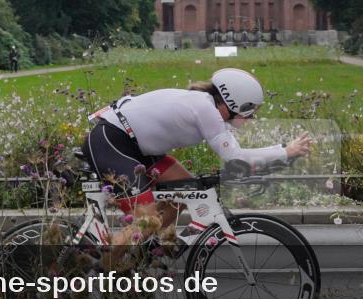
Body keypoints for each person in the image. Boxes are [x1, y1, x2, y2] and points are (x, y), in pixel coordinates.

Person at [81, 68, 312, 238]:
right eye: (250, 110)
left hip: (138, 148)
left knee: (186, 189)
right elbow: (235, 157)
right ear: (234, 104)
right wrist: (285, 152)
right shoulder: (205, 109)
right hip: (112, 143)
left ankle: (145, 252)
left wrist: (281, 153)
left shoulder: (206, 105)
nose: (252, 117)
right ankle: (109, 269)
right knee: (147, 222)